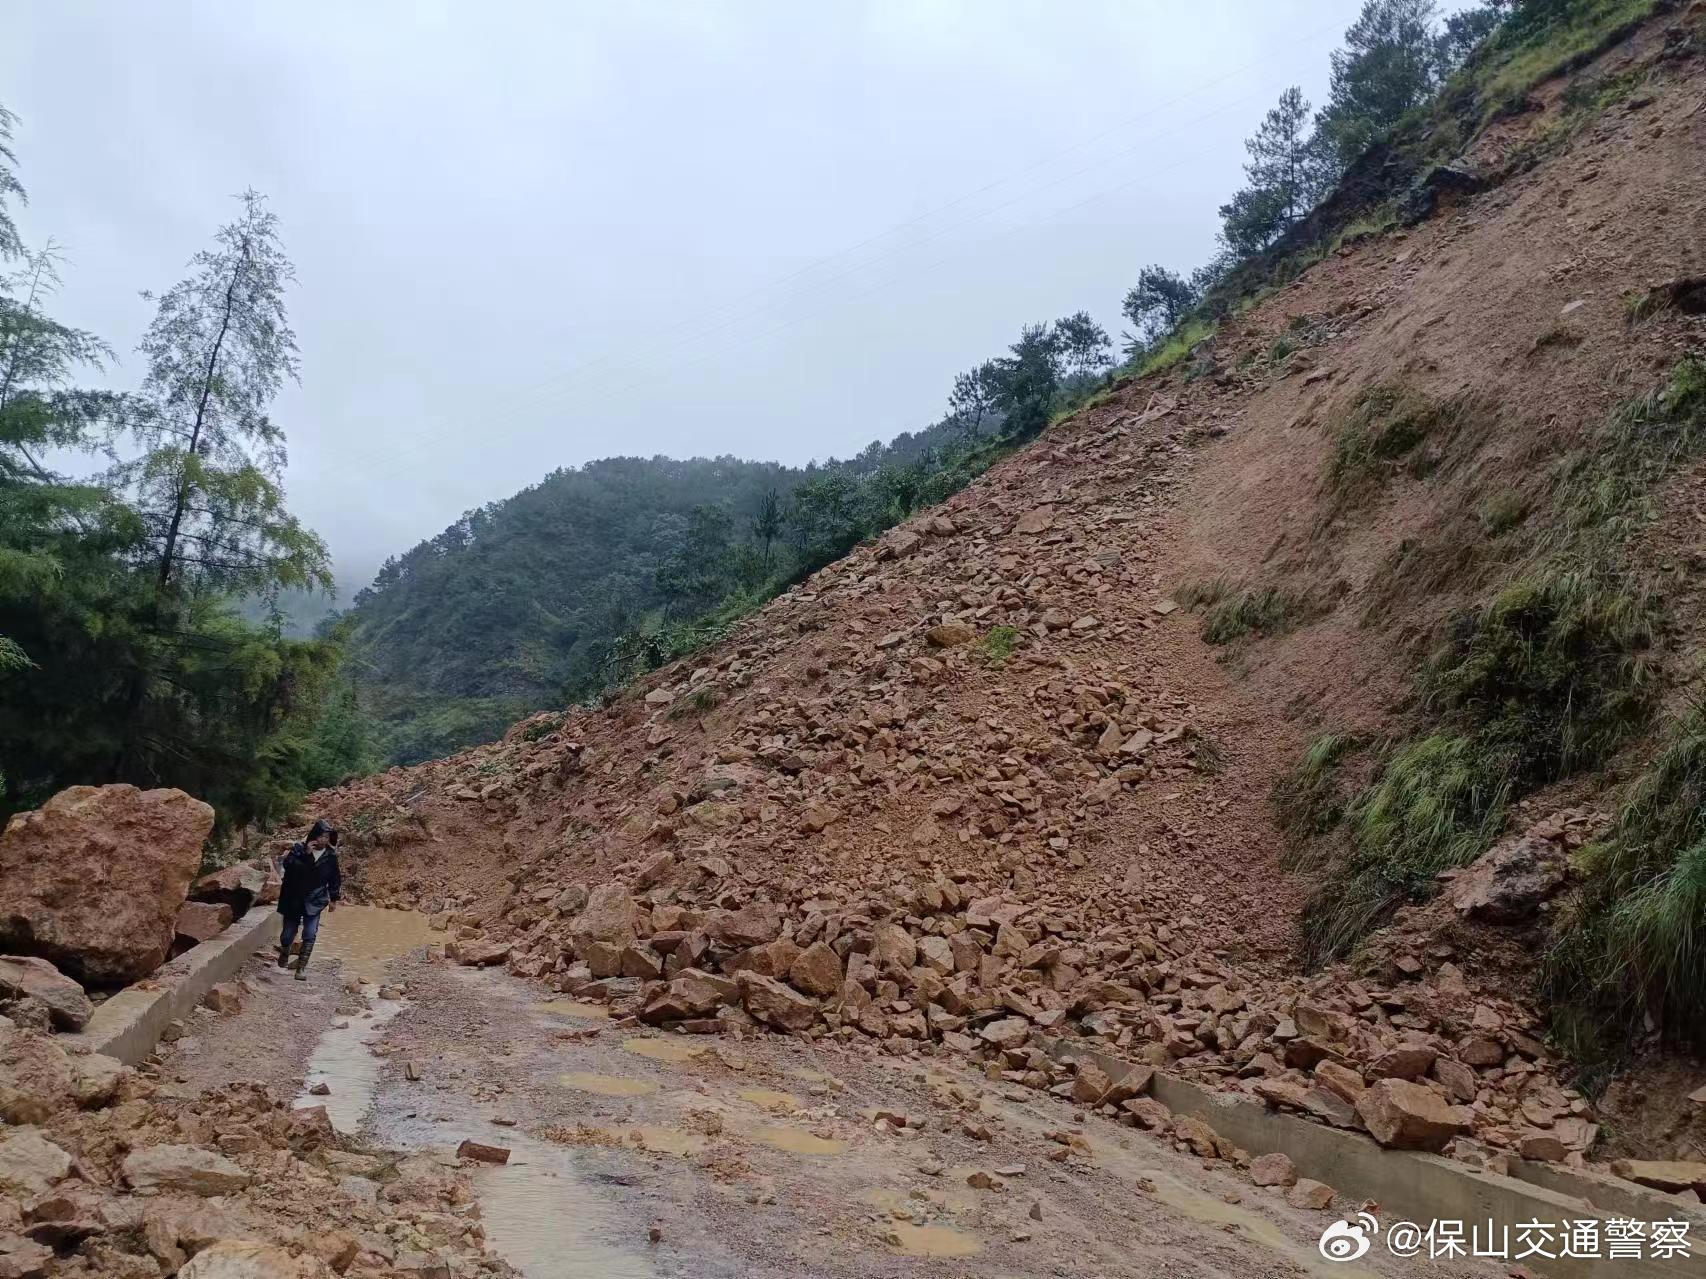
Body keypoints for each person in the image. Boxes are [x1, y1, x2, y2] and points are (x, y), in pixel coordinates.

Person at [275, 818, 342, 980]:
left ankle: (301, 969)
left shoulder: (331, 856)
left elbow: (335, 878)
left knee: (310, 933)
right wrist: (306, 855)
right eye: (321, 836)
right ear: (314, 836)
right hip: (294, 897)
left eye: (327, 837)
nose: (324, 840)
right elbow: (288, 866)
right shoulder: (298, 849)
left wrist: (334, 899)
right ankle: (285, 951)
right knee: (287, 935)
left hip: (316, 899)